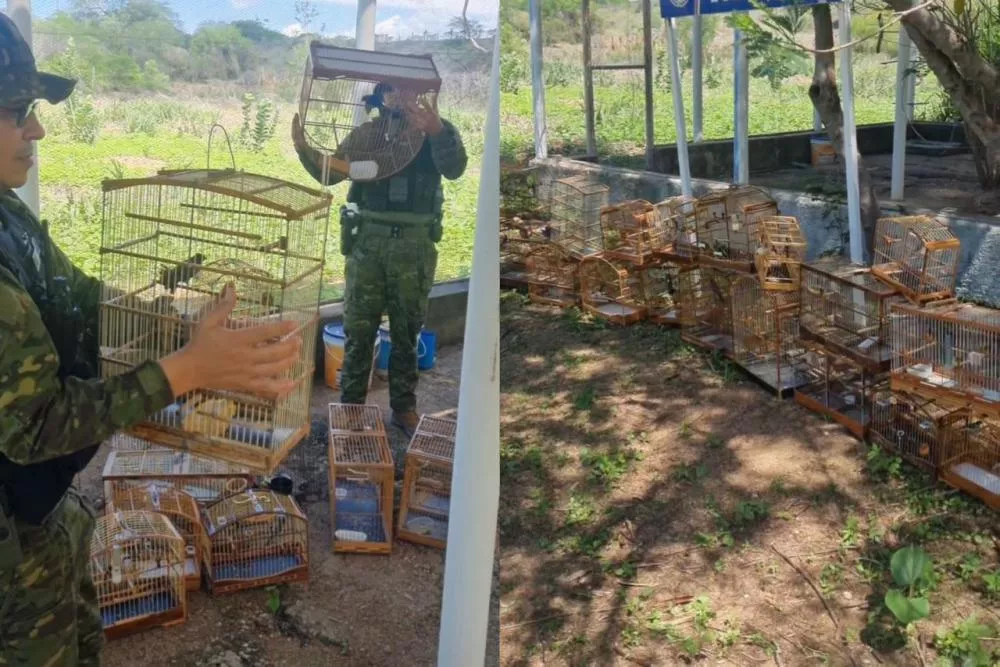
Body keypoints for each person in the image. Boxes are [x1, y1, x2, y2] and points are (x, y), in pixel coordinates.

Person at [0, 13, 301, 664]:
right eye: (19, 111)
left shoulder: (6, 211)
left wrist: (181, 330)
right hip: (11, 548)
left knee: (82, 642)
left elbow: (82, 300)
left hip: (43, 511)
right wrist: (185, 370)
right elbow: (36, 426)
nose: (37, 129)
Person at [291, 78, 467, 437]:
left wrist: (437, 131)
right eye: (392, 90)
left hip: (414, 247)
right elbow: (332, 172)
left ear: (419, 94)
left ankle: (404, 408)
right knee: (359, 329)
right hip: (368, 243)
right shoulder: (367, 135)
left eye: (407, 89)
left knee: (406, 331)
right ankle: (351, 409)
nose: (400, 97)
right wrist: (304, 148)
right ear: (381, 96)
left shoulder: (434, 133)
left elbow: (455, 168)